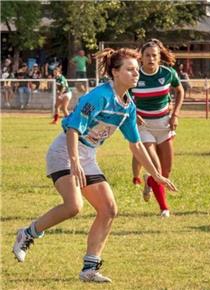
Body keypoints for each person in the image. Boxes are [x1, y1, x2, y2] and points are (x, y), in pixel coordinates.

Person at [12, 47, 177, 283]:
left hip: (86, 156)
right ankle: (27, 234)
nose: (136, 74)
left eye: (137, 70)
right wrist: (74, 162)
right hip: (64, 153)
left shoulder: (128, 106)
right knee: (73, 206)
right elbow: (73, 128)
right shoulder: (99, 96)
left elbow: (136, 145)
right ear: (115, 73)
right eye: (130, 70)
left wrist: (157, 175)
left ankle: (90, 268)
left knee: (109, 209)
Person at [130, 38, 184, 218]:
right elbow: (122, 95)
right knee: (157, 168)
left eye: (154, 55)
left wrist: (175, 114)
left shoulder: (168, 73)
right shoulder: (135, 75)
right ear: (141, 58)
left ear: (159, 57)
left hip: (164, 125)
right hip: (143, 127)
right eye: (147, 55)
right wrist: (133, 113)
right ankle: (164, 208)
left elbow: (180, 90)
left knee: (167, 170)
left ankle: (149, 180)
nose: (151, 59)